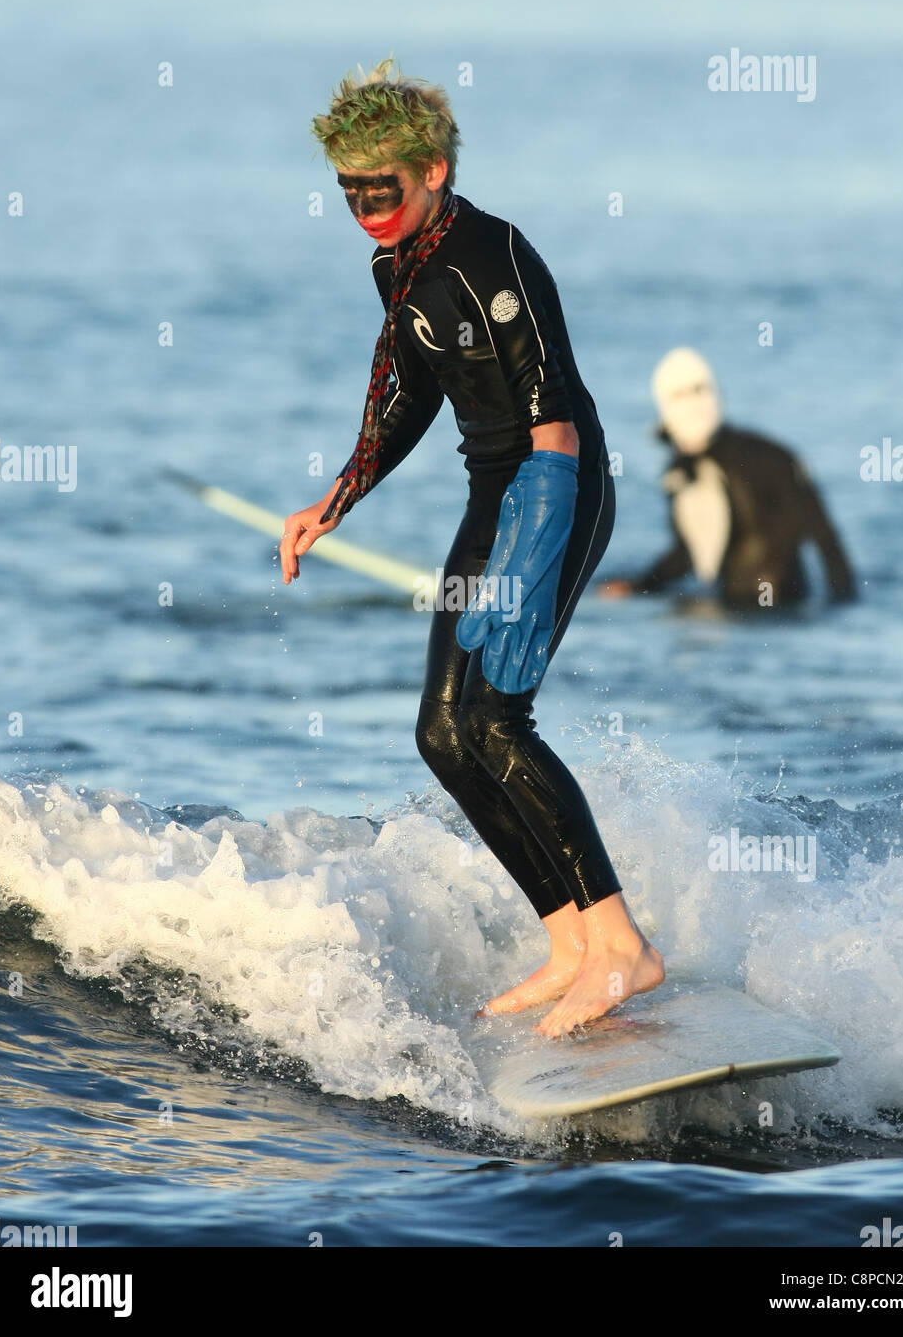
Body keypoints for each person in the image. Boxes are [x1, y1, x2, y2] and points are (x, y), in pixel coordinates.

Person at [280, 59, 663, 1036]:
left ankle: (623, 946)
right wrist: (336, 496)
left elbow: (554, 420)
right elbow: (408, 390)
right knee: (444, 732)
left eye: (382, 188)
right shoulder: (395, 264)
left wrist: (528, 561)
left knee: (496, 715)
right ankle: (571, 942)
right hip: (490, 491)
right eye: (349, 191)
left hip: (556, 487)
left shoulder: (493, 254)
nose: (365, 207)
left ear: (434, 170)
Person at [598, 348, 856, 608]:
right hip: (786, 612)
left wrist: (639, 587)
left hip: (739, 617)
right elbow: (828, 544)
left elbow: (690, 555)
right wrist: (845, 609)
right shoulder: (774, 455)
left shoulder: (688, 473)